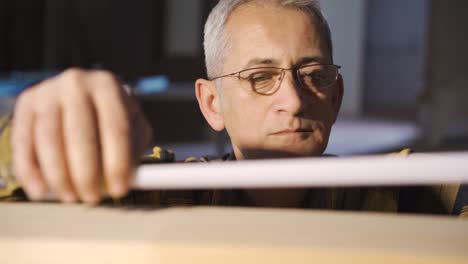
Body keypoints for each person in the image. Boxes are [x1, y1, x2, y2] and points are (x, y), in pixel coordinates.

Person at [0, 0, 465, 215]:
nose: (294, 100)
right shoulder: (164, 197)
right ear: (211, 102)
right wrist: (34, 132)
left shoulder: (406, 197)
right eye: (260, 78)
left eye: (314, 76)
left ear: (336, 97)